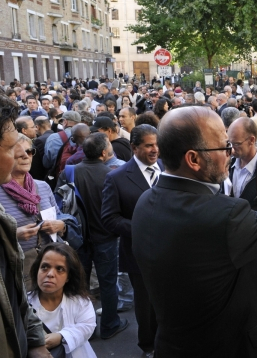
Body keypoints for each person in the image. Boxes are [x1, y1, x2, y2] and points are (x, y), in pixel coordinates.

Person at [131, 107, 257, 356]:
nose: (230, 155)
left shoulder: (145, 202)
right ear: (193, 159)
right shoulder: (226, 216)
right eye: (224, 148)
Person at [57, 133, 129, 340]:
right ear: (104, 152)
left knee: (79, 285)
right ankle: (109, 324)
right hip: (106, 238)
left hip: (77, 238)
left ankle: (81, 328)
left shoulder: (70, 172)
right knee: (108, 283)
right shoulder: (112, 174)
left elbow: (59, 203)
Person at [101, 125, 162, 356]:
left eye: (157, 144)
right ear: (134, 147)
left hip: (173, 251)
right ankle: (149, 345)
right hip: (140, 255)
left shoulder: (169, 169)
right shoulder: (116, 178)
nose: (155, 149)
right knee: (146, 305)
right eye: (148, 145)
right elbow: (109, 219)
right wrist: (142, 228)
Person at [0, 95, 51, 358]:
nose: (21, 157)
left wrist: (34, 340)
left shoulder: (42, 186)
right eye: (12, 150)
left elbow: (12, 293)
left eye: (27, 152)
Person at [0, 134, 74, 290]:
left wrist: (60, 225)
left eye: (29, 151)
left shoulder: (42, 186)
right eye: (18, 153)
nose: (26, 156)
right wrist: (13, 234)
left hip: (49, 265)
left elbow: (60, 216)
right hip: (14, 270)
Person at [28, 243, 97, 357]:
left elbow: (87, 326)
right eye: (45, 267)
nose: (50, 274)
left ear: (68, 277)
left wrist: (62, 337)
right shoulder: (24, 303)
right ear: (37, 270)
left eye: (59, 269)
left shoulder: (80, 302)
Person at [225, 118, 257, 210]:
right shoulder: (228, 164)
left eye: (236, 144)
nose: (232, 149)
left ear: (251, 140)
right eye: (229, 143)